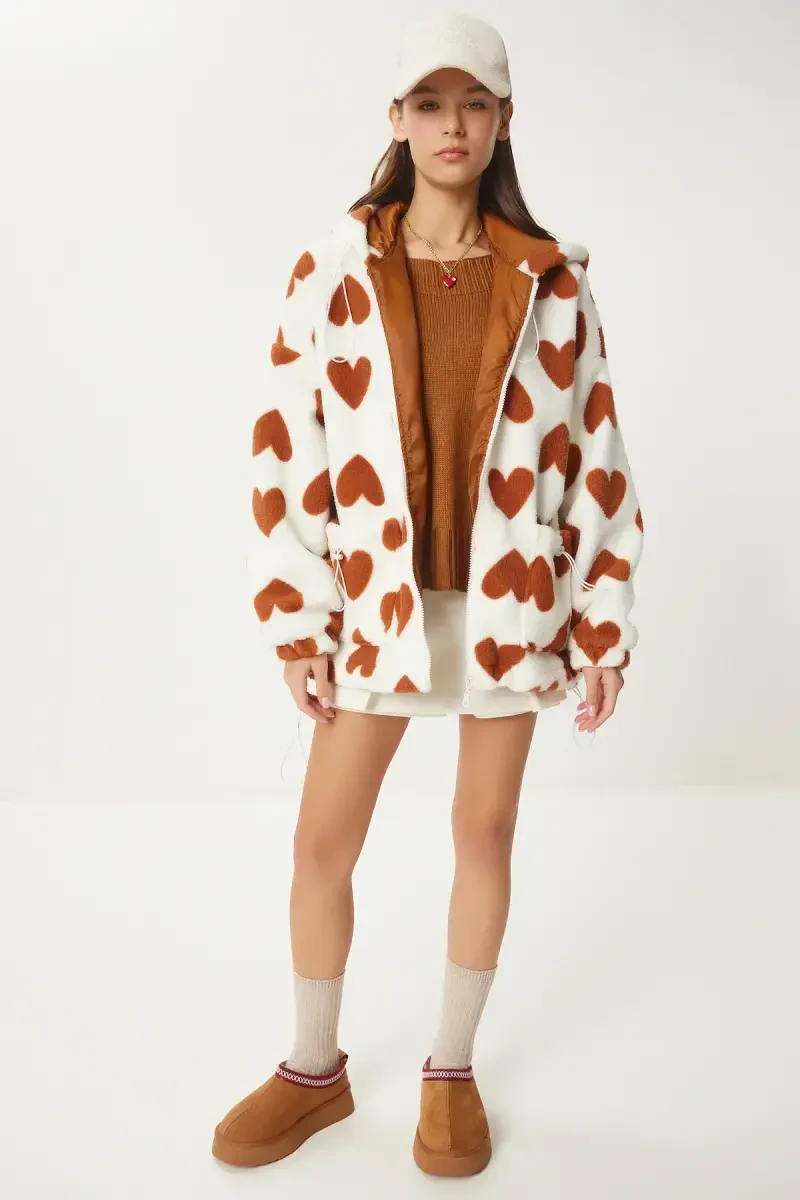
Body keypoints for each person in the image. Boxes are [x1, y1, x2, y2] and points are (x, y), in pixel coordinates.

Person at [212, 10, 645, 1179]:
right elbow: (286, 446)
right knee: (320, 842)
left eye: (473, 104)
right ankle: (314, 1070)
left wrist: (602, 625)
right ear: (396, 121)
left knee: (483, 832)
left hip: (509, 607)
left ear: (501, 121)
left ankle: (449, 1070)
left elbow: (597, 458)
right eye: (428, 103)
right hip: (375, 612)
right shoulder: (333, 271)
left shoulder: (553, 282)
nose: (451, 125)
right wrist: (296, 620)